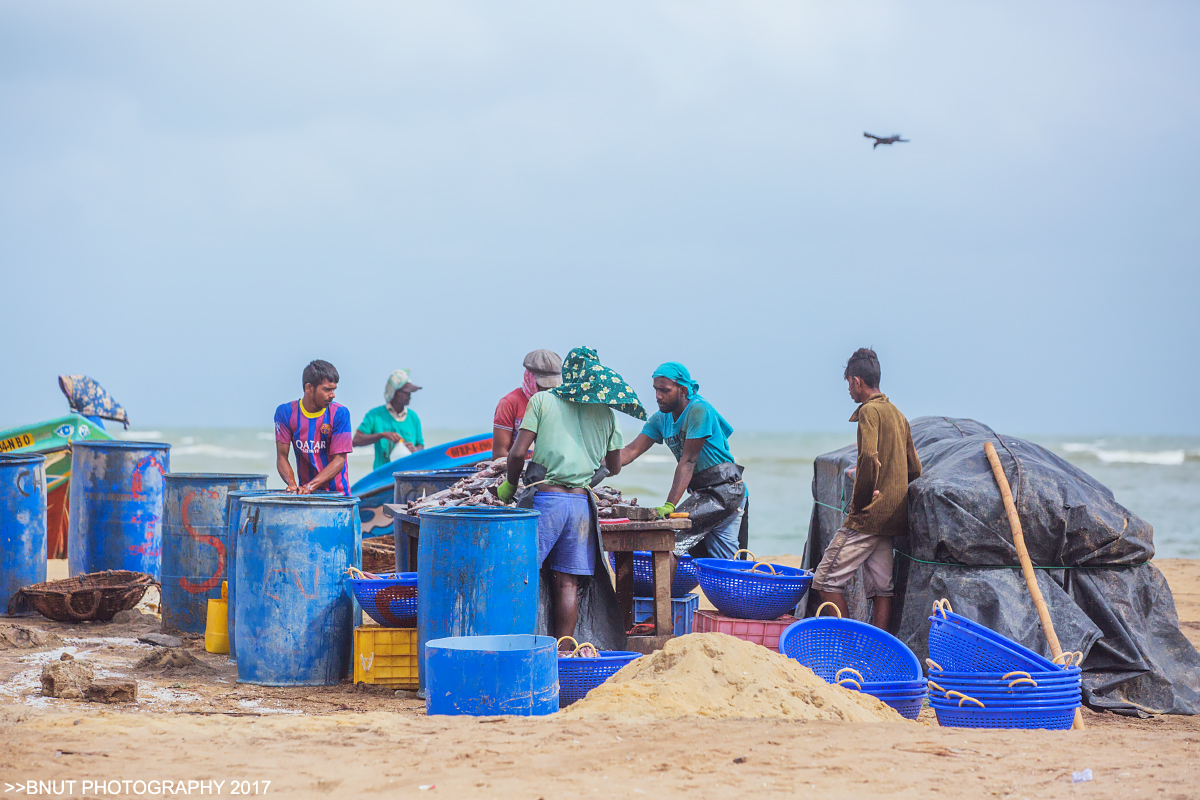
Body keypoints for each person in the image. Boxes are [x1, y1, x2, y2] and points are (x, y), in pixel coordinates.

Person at [497, 346, 646, 645]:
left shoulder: (542, 401)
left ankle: (515, 645)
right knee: (567, 583)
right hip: (580, 506)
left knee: (521, 576)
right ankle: (564, 652)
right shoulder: (606, 413)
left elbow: (515, 454)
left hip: (546, 502)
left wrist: (509, 487)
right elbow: (614, 466)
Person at [812, 348, 922, 630]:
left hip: (869, 517)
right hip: (892, 518)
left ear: (857, 381)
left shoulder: (869, 413)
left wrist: (860, 502)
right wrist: (889, 488)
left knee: (825, 579)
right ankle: (878, 652)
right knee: (881, 589)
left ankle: (849, 644)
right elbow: (915, 470)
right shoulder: (898, 414)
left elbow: (868, 458)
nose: (849, 390)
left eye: (848, 382)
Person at [620, 362, 748, 560]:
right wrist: (598, 465)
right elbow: (630, 450)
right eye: (655, 389)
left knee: (670, 539)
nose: (657, 396)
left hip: (725, 490)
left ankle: (663, 592)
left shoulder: (698, 410)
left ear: (683, 390)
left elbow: (688, 461)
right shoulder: (660, 419)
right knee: (718, 560)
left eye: (664, 390)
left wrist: (670, 505)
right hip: (702, 494)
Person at [274, 360, 354, 495]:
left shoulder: (340, 413)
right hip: (306, 496)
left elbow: (339, 460)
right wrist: (292, 485)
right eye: (327, 389)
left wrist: (310, 487)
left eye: (334, 389)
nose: (332, 395)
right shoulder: (286, 413)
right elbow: (282, 457)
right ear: (309, 388)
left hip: (339, 496)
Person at [492, 349, 563, 459]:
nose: (549, 391)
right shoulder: (509, 404)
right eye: (544, 386)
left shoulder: (562, 402)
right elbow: (499, 454)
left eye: (552, 387)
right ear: (530, 378)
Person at [353, 369, 425, 470]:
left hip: (408, 474)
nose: (409, 395)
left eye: (410, 392)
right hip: (383, 476)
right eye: (405, 392)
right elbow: (355, 441)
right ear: (394, 393)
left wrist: (414, 449)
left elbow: (420, 445)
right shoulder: (375, 415)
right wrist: (382, 435)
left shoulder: (413, 417)